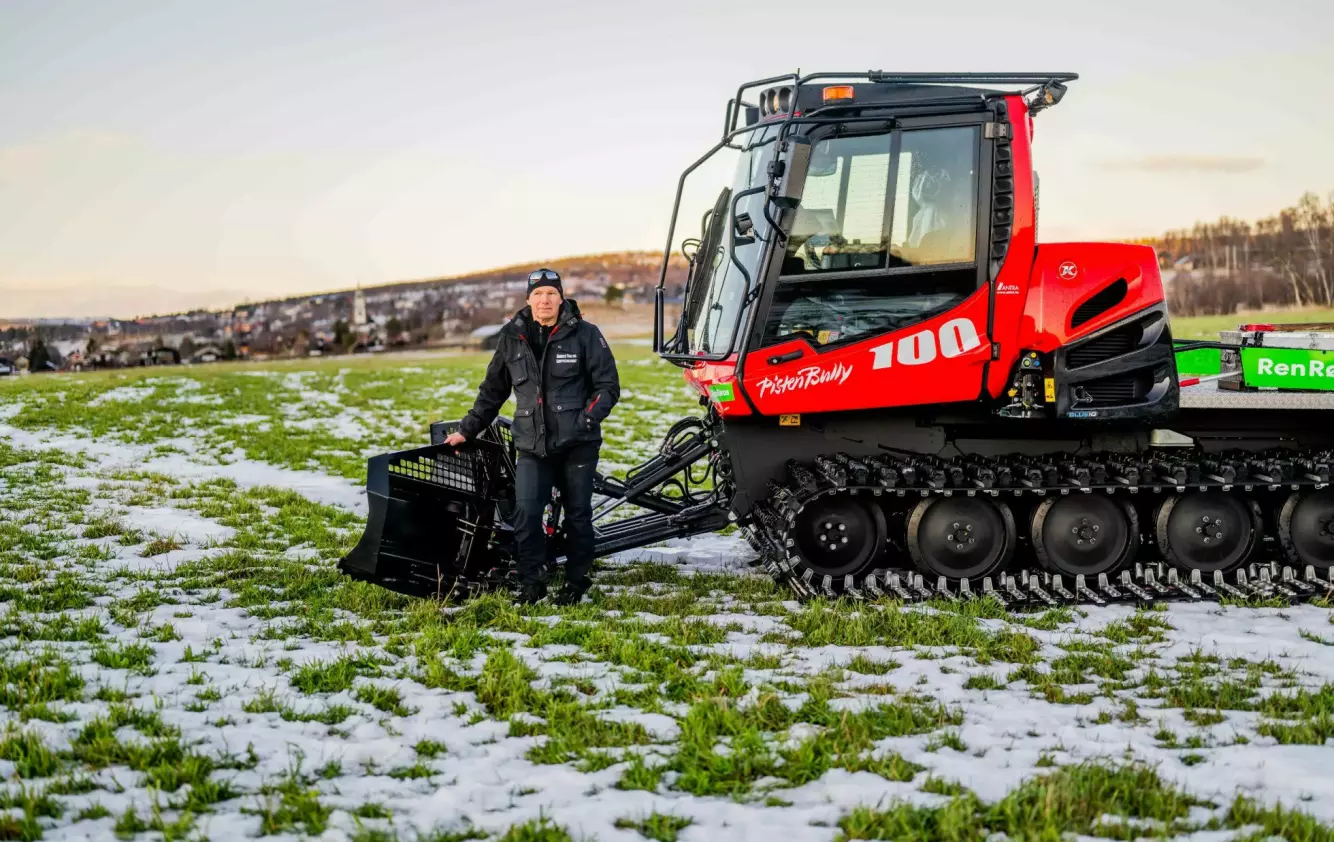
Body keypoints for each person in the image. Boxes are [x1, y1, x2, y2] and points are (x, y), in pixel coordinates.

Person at [446, 268, 620, 605]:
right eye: (538, 294)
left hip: (577, 445)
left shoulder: (585, 334)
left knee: (578, 515)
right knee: (525, 515)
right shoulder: (512, 338)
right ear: (528, 300)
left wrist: (586, 420)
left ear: (561, 298)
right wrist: (465, 431)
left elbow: (608, 386)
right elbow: (492, 392)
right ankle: (531, 583)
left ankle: (575, 583)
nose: (545, 300)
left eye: (551, 294)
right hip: (532, 446)